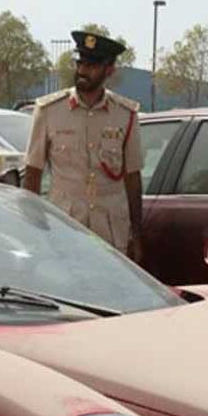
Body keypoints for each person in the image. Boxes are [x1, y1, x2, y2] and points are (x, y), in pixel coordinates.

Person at [23, 31, 144, 261]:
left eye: (92, 66)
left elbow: (133, 178)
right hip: (65, 230)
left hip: (111, 234)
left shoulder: (125, 115)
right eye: (80, 64)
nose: (82, 72)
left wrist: (136, 235)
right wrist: (33, 231)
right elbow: (32, 174)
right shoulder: (49, 111)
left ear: (109, 70)